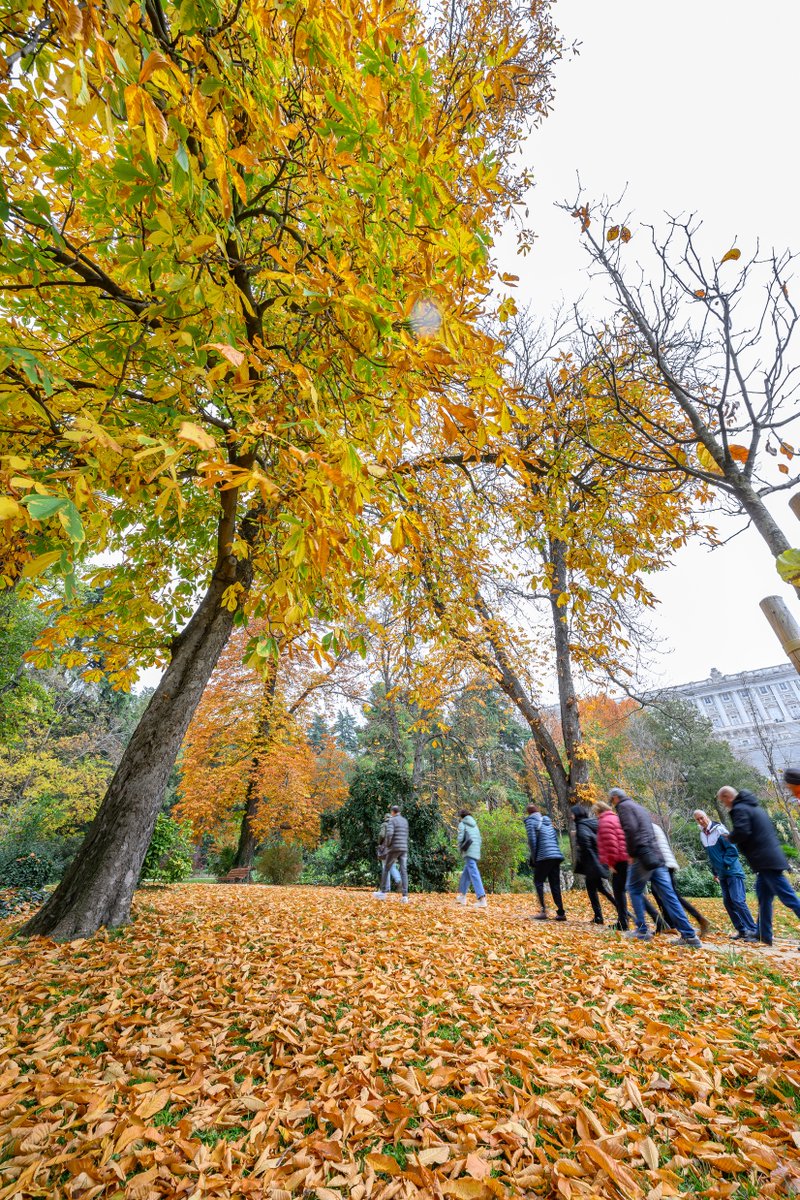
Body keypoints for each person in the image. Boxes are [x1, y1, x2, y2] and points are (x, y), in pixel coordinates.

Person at [609, 787, 702, 947]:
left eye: (612, 800)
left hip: (641, 855)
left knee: (633, 889)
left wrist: (631, 853)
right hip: (656, 855)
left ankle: (642, 930)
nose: (612, 803)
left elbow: (630, 830)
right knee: (669, 895)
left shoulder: (623, 807)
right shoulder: (639, 807)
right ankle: (690, 936)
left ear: (616, 797)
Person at [717, 785, 800, 945]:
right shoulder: (754, 807)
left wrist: (730, 837)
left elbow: (743, 831)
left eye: (723, 800)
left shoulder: (740, 808)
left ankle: (763, 934)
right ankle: (763, 935)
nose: (724, 804)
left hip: (766, 861)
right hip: (767, 860)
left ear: (728, 797)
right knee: (764, 899)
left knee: (789, 898)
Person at [692, 808, 758, 940]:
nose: (701, 821)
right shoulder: (703, 834)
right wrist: (715, 871)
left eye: (702, 817)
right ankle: (742, 931)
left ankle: (754, 930)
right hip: (722, 874)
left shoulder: (719, 830)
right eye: (698, 819)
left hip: (732, 871)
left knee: (737, 900)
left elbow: (732, 850)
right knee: (728, 903)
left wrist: (725, 864)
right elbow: (711, 855)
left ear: (707, 816)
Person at [650, 818, 710, 936]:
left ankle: (699, 919)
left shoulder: (647, 827)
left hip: (662, 864)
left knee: (671, 895)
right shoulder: (653, 826)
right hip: (664, 863)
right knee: (660, 893)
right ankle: (669, 924)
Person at [571, 805, 616, 925]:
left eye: (572, 813)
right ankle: (601, 915)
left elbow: (587, 847)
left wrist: (580, 845)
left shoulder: (581, 827)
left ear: (577, 814)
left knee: (596, 889)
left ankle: (604, 915)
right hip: (598, 861)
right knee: (599, 889)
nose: (571, 816)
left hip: (592, 865)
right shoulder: (592, 823)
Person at [595, 799, 634, 930]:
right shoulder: (617, 818)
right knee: (625, 889)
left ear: (598, 811)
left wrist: (611, 864)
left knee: (619, 891)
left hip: (618, 860)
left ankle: (624, 922)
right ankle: (624, 921)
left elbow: (611, 844)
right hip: (626, 857)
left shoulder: (604, 821)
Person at [524, 803, 566, 921]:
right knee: (555, 884)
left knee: (538, 881)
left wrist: (534, 859)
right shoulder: (547, 821)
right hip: (555, 856)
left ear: (528, 812)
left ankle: (543, 911)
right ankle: (561, 913)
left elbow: (532, 841)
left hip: (543, 856)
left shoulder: (530, 821)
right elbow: (555, 839)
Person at [374, 804, 409, 902]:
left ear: (392, 812)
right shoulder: (404, 821)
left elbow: (389, 835)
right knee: (403, 871)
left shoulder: (392, 821)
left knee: (386, 868)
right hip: (404, 848)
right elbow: (406, 834)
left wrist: (388, 845)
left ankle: (383, 892)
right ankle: (405, 896)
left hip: (394, 848)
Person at [455, 809, 487, 908]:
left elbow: (460, 838)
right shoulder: (475, 824)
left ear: (461, 817)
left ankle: (482, 898)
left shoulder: (462, 824)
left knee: (474, 873)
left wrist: (459, 848)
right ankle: (462, 896)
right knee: (467, 873)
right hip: (476, 850)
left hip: (468, 850)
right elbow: (479, 839)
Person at [376, 810, 402, 892]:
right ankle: (398, 881)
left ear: (385, 818)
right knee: (392, 866)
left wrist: (379, 843)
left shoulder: (385, 824)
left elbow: (381, 835)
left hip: (386, 848)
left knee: (385, 867)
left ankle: (387, 888)